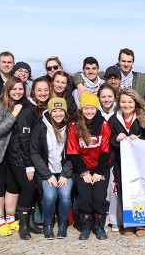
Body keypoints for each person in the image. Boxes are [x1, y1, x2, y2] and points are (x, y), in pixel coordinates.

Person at [0, 77, 26, 237]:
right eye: (14, 89)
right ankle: (0, 220)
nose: (17, 92)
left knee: (13, 185)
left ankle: (10, 217)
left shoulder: (22, 104)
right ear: (7, 89)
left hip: (12, 152)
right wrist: (14, 114)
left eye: (20, 89)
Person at [109, 89, 145, 236]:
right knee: (124, 190)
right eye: (123, 102)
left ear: (136, 103)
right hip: (120, 162)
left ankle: (141, 224)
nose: (126, 105)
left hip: (140, 163)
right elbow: (107, 141)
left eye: (130, 102)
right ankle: (128, 222)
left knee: (141, 190)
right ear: (118, 103)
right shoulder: (113, 120)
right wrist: (116, 140)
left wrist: (140, 140)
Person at [66, 92, 112, 240]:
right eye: (86, 108)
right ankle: (85, 225)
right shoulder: (74, 126)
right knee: (84, 198)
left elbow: (106, 150)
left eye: (92, 108)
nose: (89, 111)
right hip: (83, 167)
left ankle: (99, 225)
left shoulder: (104, 125)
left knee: (99, 197)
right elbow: (73, 152)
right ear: (81, 109)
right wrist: (84, 173)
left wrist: (98, 172)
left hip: (100, 166)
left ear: (97, 108)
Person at [12, 77, 51, 239]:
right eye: (39, 90)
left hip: (33, 157)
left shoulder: (41, 108)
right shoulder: (28, 109)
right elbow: (23, 139)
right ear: (33, 92)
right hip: (20, 157)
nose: (43, 93)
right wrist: (28, 165)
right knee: (28, 188)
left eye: (45, 90)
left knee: (35, 188)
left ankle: (31, 223)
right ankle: (23, 225)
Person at [30, 98, 73, 239]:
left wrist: (65, 174)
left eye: (61, 110)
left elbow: (73, 153)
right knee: (50, 196)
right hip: (47, 172)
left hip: (64, 172)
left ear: (65, 112)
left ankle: (62, 224)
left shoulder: (70, 128)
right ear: (49, 111)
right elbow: (35, 154)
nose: (58, 114)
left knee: (65, 195)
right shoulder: (40, 128)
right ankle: (47, 224)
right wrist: (47, 175)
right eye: (55, 110)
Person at [97, 84, 119, 232]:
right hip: (98, 157)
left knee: (113, 189)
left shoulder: (119, 112)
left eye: (109, 96)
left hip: (114, 157)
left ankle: (114, 218)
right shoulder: (93, 111)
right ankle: (102, 216)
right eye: (103, 96)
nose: (106, 99)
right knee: (102, 189)